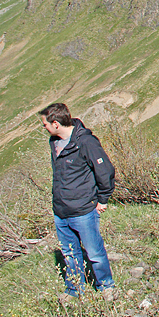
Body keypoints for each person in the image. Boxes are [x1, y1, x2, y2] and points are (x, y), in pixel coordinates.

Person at [38, 102, 116, 298]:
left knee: (94, 252)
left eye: (45, 124)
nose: (44, 128)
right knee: (70, 254)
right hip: (61, 211)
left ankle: (106, 287)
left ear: (55, 123)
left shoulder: (86, 142)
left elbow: (105, 170)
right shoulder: (54, 143)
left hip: (83, 210)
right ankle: (74, 289)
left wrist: (103, 199)